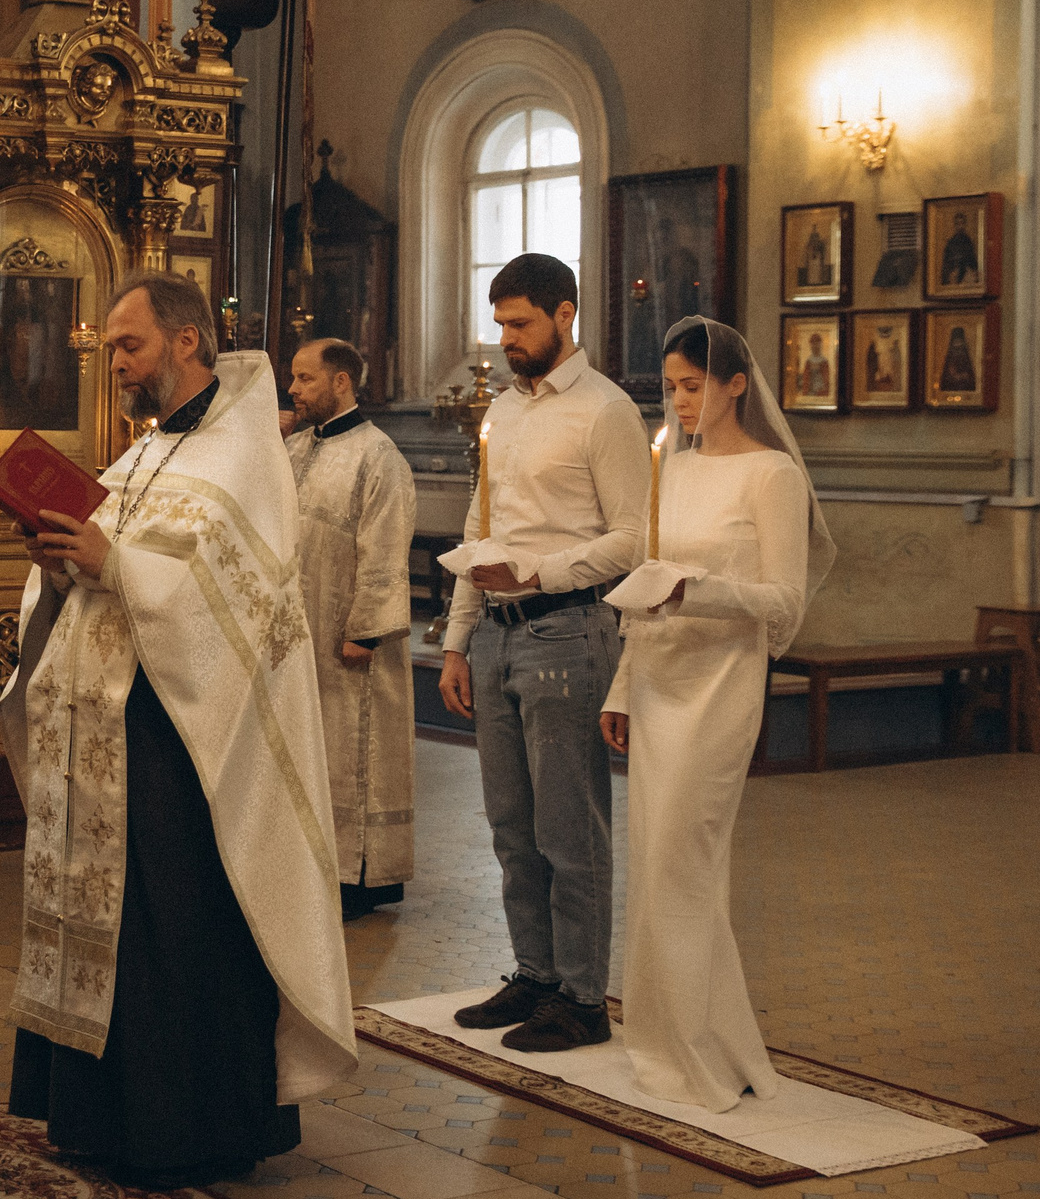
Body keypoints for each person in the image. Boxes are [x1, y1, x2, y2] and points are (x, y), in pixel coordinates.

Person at [0, 270, 355, 1187]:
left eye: (129, 345)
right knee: (107, 921)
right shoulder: (142, 454)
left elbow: (235, 604)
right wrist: (58, 555)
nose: (114, 363)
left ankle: (188, 1127)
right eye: (112, 347)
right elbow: (106, 562)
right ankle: (100, 1118)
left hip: (185, 737)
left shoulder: (244, 458)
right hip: (110, 727)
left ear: (187, 341)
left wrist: (114, 562)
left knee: (172, 922)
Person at [600, 317, 833, 1111]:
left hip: (720, 688)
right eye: (671, 387)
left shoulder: (773, 476)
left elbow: (785, 604)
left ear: (737, 383)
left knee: (682, 861)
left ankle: (701, 1046)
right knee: (654, 868)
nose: (680, 400)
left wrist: (700, 592)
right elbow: (643, 585)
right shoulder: (672, 470)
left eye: (693, 385)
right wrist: (621, 688)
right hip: (659, 679)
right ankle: (673, 1040)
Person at [436, 253, 648, 1052]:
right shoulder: (506, 412)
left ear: (565, 315)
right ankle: (537, 973)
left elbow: (633, 536)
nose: (505, 338)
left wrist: (542, 571)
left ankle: (585, 997)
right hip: (496, 632)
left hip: (569, 628)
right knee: (511, 823)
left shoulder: (606, 411)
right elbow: (476, 526)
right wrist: (458, 639)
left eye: (519, 322)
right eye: (499, 323)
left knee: (570, 826)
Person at [284, 337, 418, 921]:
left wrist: (366, 629)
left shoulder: (378, 456)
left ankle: (355, 879)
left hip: (347, 640)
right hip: (295, 634)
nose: (293, 389)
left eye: (305, 379)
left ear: (341, 382)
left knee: (348, 753)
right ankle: (304, 869)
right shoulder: (291, 451)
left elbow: (386, 547)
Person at [939, 209, 979, 287]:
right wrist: (951, 275)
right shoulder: (950, 243)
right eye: (957, 224)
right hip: (952, 281)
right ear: (955, 225)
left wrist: (973, 273)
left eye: (962, 223)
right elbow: (945, 266)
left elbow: (973, 263)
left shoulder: (969, 242)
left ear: (965, 224)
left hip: (967, 280)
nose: (960, 226)